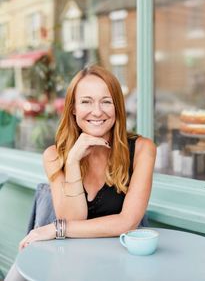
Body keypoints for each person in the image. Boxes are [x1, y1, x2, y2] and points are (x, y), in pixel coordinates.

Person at [5, 65, 156, 280]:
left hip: (121, 260)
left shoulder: (143, 149)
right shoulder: (54, 156)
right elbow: (72, 219)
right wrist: (74, 160)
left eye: (106, 101)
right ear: (73, 108)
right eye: (86, 101)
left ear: (117, 108)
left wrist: (53, 229)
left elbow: (127, 222)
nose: (97, 111)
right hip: (68, 259)